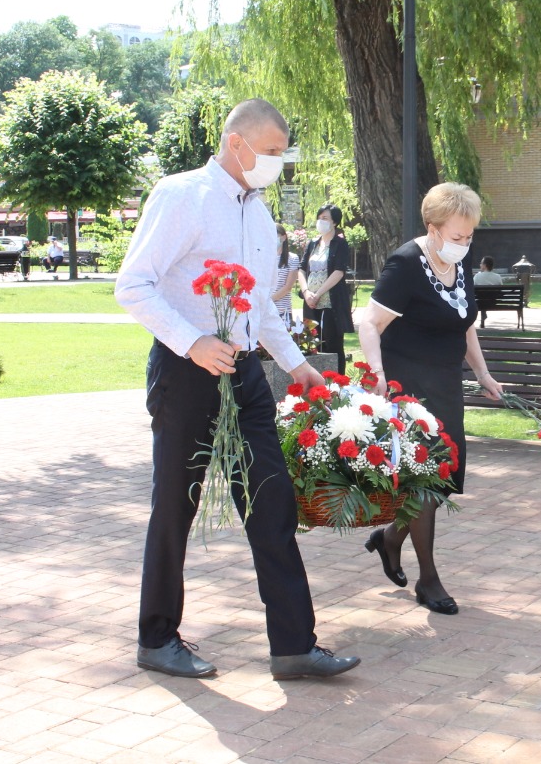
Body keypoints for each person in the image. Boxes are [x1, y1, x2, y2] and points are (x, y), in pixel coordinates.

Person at [115, 98, 360, 681]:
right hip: (188, 373)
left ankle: (294, 646)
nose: (278, 163)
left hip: (247, 375)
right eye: (273, 152)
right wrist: (192, 340)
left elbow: (259, 305)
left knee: (272, 501)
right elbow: (133, 285)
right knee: (175, 506)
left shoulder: (256, 210)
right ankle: (157, 638)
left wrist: (297, 365)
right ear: (237, 144)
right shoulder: (182, 196)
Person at [355, 182, 504, 615]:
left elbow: (464, 323)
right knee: (426, 480)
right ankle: (429, 580)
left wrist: (483, 373)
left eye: (470, 236)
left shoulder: (460, 261)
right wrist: (377, 374)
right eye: (457, 237)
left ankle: (388, 540)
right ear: (433, 229)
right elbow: (369, 324)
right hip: (408, 389)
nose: (465, 244)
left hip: (445, 385)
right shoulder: (405, 263)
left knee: (439, 483)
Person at [298, 205, 353, 375]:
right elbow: (301, 269)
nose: (321, 221)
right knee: (312, 343)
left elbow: (338, 272)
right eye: (319, 217)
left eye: (325, 218)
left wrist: (319, 293)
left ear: (334, 222)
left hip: (331, 302)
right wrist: (307, 292)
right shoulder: (312, 244)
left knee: (333, 344)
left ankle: (337, 383)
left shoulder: (340, 244)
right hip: (311, 302)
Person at [271, 225, 300, 327]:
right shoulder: (265, 258)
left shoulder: (292, 258)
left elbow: (287, 287)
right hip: (266, 310)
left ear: (283, 237)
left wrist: (269, 300)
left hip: (282, 310)